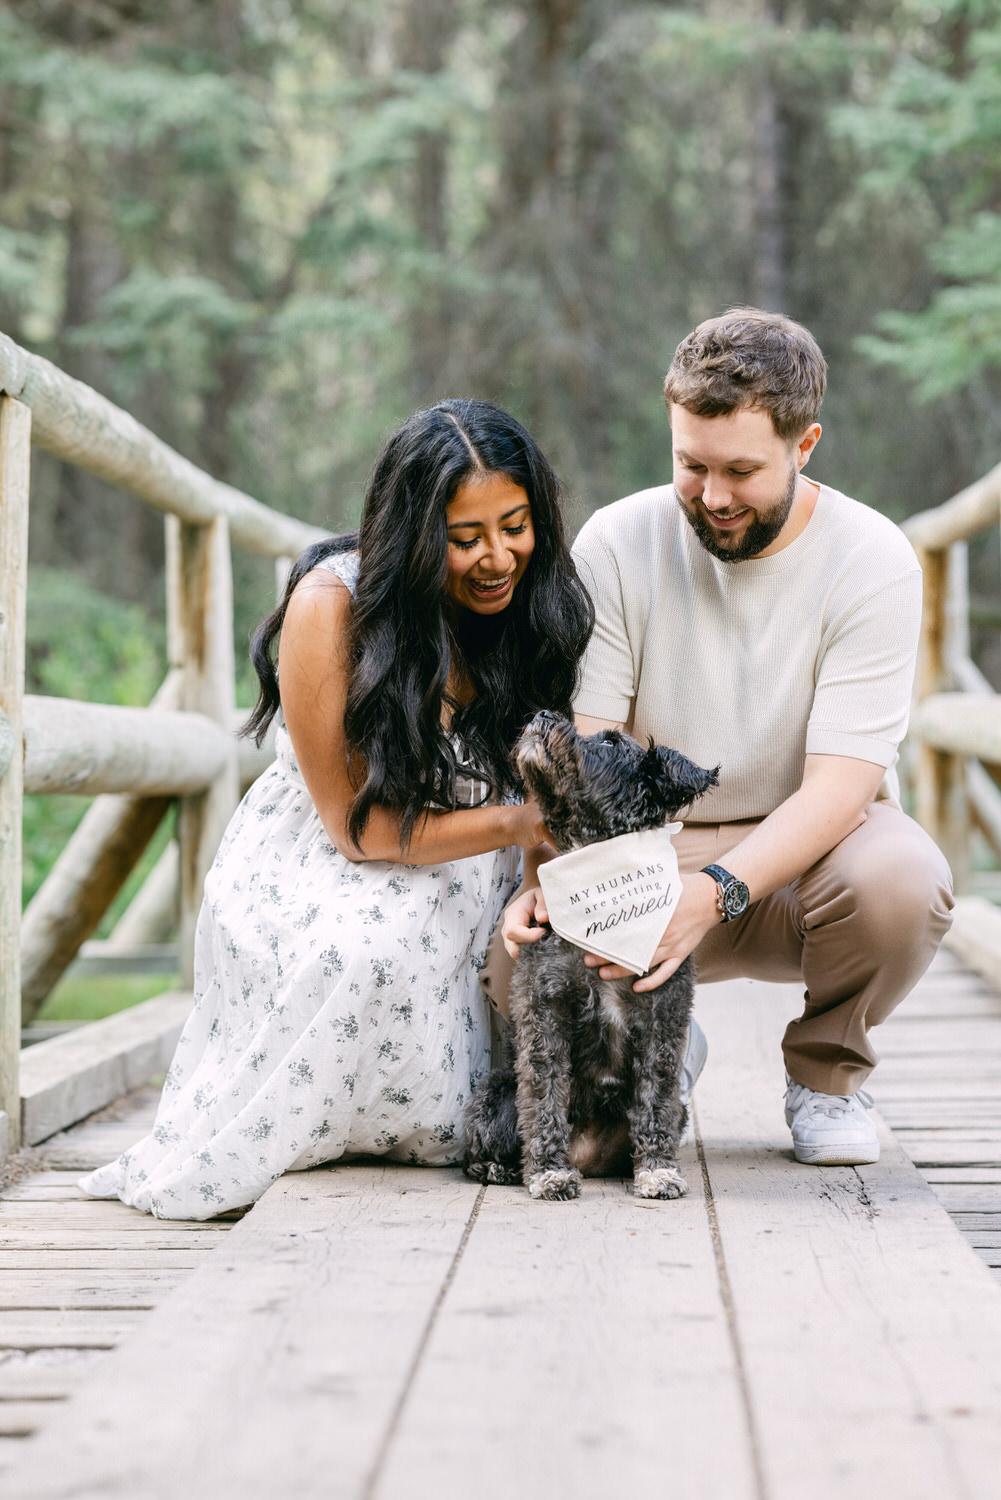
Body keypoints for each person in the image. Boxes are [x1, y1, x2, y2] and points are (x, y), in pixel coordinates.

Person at [81, 399, 593, 1219]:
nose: (497, 557)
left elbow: (541, 783)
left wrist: (537, 874)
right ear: (417, 535)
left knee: (594, 1012)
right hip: (342, 847)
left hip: (485, 851)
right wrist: (520, 824)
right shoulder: (332, 604)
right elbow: (357, 830)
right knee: (366, 954)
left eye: (515, 525)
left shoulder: (538, 604)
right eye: (464, 540)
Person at [501, 308, 954, 1167]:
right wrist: (556, 884)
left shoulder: (874, 559)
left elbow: (840, 787)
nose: (711, 496)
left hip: (805, 858)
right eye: (689, 464)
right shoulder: (617, 539)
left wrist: (710, 893)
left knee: (905, 882)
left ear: (804, 444)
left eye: (741, 471)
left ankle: (825, 1078)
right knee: (510, 970)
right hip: (646, 852)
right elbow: (584, 757)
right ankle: (660, 1042)